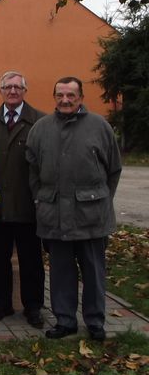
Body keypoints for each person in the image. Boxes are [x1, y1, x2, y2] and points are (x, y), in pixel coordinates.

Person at [26, 77, 121, 342]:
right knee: (60, 272)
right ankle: (65, 321)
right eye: (60, 95)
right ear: (54, 96)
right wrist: (40, 200)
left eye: (71, 95)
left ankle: (95, 321)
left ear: (81, 97)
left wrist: (101, 201)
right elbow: (33, 171)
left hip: (91, 217)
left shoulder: (100, 126)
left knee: (94, 273)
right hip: (54, 215)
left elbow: (113, 170)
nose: (65, 100)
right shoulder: (41, 128)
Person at [0, 71, 46, 327]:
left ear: (24, 91)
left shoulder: (40, 122)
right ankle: (1, 305)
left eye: (17, 87)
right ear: (0, 91)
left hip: (28, 205)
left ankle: (33, 307)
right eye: (7, 87)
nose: (12, 91)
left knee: (31, 261)